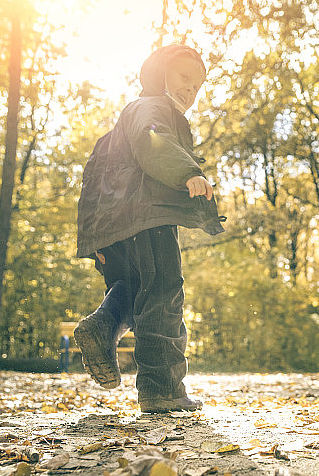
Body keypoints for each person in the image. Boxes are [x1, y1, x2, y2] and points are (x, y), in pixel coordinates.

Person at [75, 44, 224, 412]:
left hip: (118, 227)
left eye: (197, 85)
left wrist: (98, 236)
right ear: (159, 75)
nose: (190, 90)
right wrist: (188, 171)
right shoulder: (151, 109)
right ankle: (162, 387)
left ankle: (103, 326)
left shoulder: (123, 122)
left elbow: (95, 177)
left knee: (133, 288)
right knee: (163, 291)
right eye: (183, 78)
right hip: (149, 217)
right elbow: (153, 142)